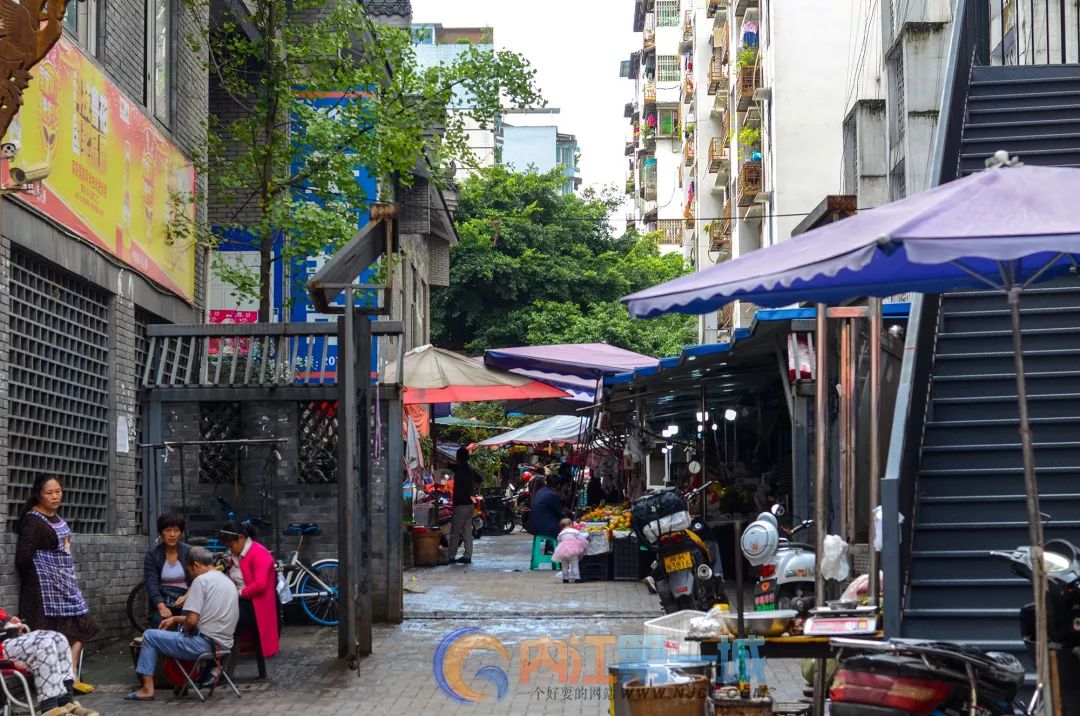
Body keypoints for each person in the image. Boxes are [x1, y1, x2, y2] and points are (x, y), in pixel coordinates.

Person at [15, 475, 98, 695]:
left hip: (64, 586)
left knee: (83, 626)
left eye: (58, 491)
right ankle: (54, 685)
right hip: (42, 590)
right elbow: (23, 558)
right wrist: (43, 575)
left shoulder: (54, 516)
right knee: (48, 636)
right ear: (38, 494)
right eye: (49, 493)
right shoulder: (33, 520)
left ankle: (70, 675)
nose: (55, 496)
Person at [125, 546, 239, 702]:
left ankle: (147, 688)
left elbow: (192, 621)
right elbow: (207, 617)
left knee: (150, 636)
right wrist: (175, 619)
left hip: (204, 645)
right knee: (172, 634)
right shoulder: (227, 580)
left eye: (190, 571)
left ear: (197, 566)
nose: (191, 576)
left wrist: (183, 630)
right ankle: (180, 682)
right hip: (224, 645)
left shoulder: (201, 581)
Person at [0, 608, 97, 716]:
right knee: (45, 646)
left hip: (9, 638)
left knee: (59, 639)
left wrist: (8, 619)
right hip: (2, 649)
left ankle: (66, 703)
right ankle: (49, 708)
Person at [219, 521, 280, 664]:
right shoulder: (237, 554)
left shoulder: (259, 553)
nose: (230, 549)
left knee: (222, 617)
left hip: (254, 605)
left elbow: (260, 584)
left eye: (231, 545)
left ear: (241, 538)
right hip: (241, 600)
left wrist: (237, 593)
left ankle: (220, 658)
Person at [143, 512, 192, 627]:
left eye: (176, 530)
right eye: (168, 530)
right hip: (163, 601)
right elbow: (151, 584)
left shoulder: (189, 552)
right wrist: (161, 606)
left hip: (187, 601)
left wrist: (186, 597)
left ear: (181, 533)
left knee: (190, 624)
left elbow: (198, 580)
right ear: (161, 532)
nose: (172, 534)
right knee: (159, 622)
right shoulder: (152, 555)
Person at [446, 447, 478, 565]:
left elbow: (448, 465)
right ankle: (467, 555)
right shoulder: (469, 469)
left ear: (459, 457)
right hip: (469, 504)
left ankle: (451, 556)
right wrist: (471, 488)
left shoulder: (460, 467)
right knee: (467, 532)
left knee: (455, 532)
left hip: (460, 505)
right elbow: (480, 478)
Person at [527, 475, 565, 539]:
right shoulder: (553, 495)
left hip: (533, 526)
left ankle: (551, 545)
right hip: (543, 527)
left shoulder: (541, 490)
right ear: (558, 485)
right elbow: (559, 513)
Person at [552, 518, 589, 584]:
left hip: (562, 551)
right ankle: (577, 578)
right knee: (575, 565)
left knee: (564, 566)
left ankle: (565, 579)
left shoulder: (560, 534)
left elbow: (559, 542)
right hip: (573, 551)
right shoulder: (574, 531)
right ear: (571, 524)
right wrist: (587, 534)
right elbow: (582, 537)